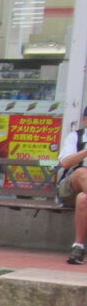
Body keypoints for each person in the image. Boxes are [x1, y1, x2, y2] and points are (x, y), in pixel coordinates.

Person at [56, 108, 87, 264]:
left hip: (82, 196)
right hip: (70, 189)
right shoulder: (76, 137)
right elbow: (66, 163)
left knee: (84, 199)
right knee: (82, 172)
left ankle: (78, 247)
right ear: (85, 120)